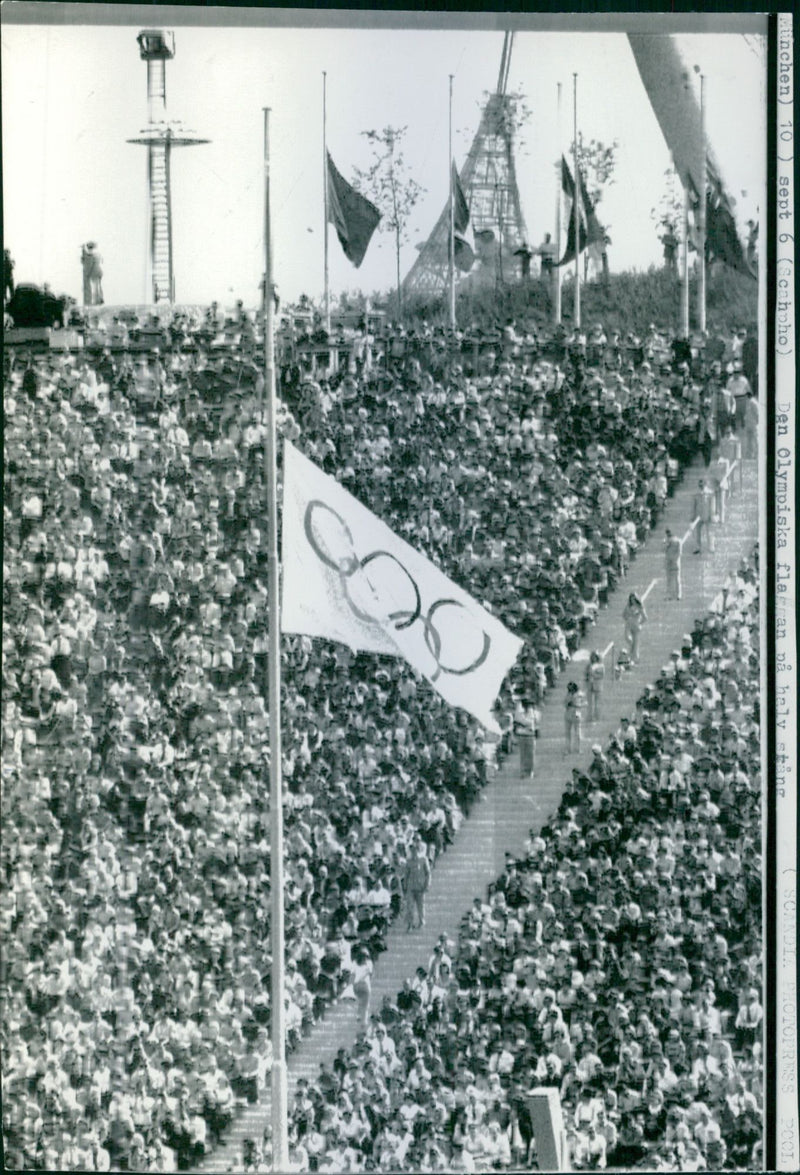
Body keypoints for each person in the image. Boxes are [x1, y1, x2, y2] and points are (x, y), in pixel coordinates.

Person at [404, 839, 432, 932]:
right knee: (410, 906)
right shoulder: (409, 861)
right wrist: (405, 886)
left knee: (420, 906)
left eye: (415, 849)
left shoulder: (423, 860)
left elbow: (428, 873)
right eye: (412, 850)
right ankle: (410, 924)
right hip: (411, 886)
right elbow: (406, 874)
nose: (413, 851)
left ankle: (421, 921)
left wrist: (427, 885)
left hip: (420, 886)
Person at [514, 694, 540, 778]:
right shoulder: (519, 712)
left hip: (530, 735)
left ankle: (530, 771)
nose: (526, 705)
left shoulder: (534, 712)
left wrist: (524, 723)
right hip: (521, 735)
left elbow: (535, 723)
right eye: (525, 703)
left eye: (528, 704)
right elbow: (517, 721)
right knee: (523, 755)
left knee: (531, 755)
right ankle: (522, 771)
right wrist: (524, 723)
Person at [351, 945, 374, 1028]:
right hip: (365, 984)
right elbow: (370, 974)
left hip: (356, 984)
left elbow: (352, 974)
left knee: (360, 1001)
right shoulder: (369, 963)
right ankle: (364, 1021)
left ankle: (358, 1015)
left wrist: (352, 984)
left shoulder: (354, 962)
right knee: (365, 1004)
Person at [692, 479, 717, 554]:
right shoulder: (696, 494)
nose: (701, 486)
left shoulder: (710, 493)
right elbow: (693, 506)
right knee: (697, 533)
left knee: (710, 532)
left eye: (702, 484)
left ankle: (711, 546)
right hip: (698, 516)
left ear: (705, 484)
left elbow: (713, 505)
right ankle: (697, 547)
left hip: (707, 515)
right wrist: (692, 516)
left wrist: (712, 515)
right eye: (700, 485)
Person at [622, 593, 648, 665]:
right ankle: (631, 655)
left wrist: (640, 623)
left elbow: (645, 617)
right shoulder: (628, 606)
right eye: (631, 599)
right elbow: (623, 614)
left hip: (636, 625)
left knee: (636, 642)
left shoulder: (640, 607)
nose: (632, 600)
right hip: (628, 625)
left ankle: (634, 658)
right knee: (628, 639)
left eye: (634, 599)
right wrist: (627, 619)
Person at [564, 681, 586, 755]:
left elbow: (585, 703)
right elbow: (564, 704)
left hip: (576, 714)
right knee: (567, 733)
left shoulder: (580, 694)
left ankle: (578, 749)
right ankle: (567, 749)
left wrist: (578, 705)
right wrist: (568, 703)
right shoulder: (568, 695)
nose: (570, 691)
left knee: (578, 733)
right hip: (568, 714)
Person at [584, 651, 605, 722]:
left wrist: (594, 675)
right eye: (592, 657)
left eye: (595, 657)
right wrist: (587, 679)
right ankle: (590, 717)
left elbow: (601, 675)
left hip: (598, 685)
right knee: (590, 703)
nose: (593, 658)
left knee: (597, 703)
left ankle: (597, 717)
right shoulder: (588, 666)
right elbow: (586, 674)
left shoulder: (601, 666)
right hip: (590, 685)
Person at [664, 529, 683, 601]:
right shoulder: (678, 541)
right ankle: (678, 595)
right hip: (675, 562)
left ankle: (670, 595)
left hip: (671, 562)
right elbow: (679, 553)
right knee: (676, 579)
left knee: (670, 579)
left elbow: (663, 549)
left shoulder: (669, 541)